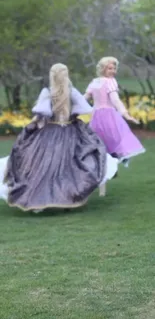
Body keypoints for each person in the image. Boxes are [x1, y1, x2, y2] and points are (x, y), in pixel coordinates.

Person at [0, 63, 118, 212]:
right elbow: (86, 109)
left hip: (49, 132)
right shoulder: (72, 92)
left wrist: (30, 127)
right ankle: (67, 198)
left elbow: (40, 114)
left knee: (43, 166)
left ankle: (44, 197)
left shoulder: (47, 92)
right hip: (71, 131)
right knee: (71, 166)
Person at [84, 57, 145, 166]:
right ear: (102, 69)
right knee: (119, 137)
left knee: (102, 141)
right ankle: (118, 157)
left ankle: (106, 162)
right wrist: (125, 114)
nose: (113, 71)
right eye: (109, 68)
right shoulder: (109, 82)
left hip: (96, 116)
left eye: (114, 68)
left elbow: (84, 99)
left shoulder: (95, 82)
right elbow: (115, 100)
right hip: (107, 115)